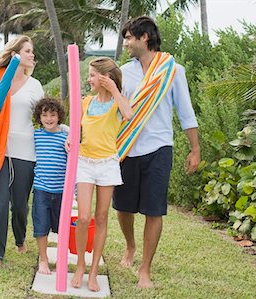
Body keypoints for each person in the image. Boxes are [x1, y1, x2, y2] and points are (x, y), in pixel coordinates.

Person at [113, 16, 201, 288]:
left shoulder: (173, 71)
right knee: (123, 207)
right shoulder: (123, 72)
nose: (126, 43)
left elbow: (185, 112)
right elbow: (110, 110)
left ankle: (145, 268)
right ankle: (130, 245)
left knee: (154, 210)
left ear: (144, 38)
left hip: (159, 148)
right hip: (126, 147)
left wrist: (195, 148)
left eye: (129, 37)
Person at [0, 35, 44, 269]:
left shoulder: (35, 85)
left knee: (19, 204)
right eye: (27, 51)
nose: (31, 55)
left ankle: (20, 237)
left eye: (31, 51)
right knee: (0, 202)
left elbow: (46, 117)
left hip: (26, 151)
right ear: (15, 53)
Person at [68, 57, 133, 292]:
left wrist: (114, 89)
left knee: (102, 217)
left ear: (105, 77)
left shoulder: (117, 104)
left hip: (107, 164)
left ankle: (94, 271)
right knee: (84, 217)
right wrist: (69, 140)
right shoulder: (85, 102)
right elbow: (75, 130)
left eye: (93, 75)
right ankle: (81, 266)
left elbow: (129, 114)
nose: (89, 79)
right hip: (85, 162)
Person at [31, 97, 68, 275]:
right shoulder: (36, 135)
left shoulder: (66, 136)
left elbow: (72, 161)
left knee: (62, 228)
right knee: (41, 225)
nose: (48, 118)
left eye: (52, 114)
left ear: (59, 116)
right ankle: (43, 259)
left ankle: (61, 258)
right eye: (44, 115)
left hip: (62, 190)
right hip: (41, 188)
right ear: (39, 117)